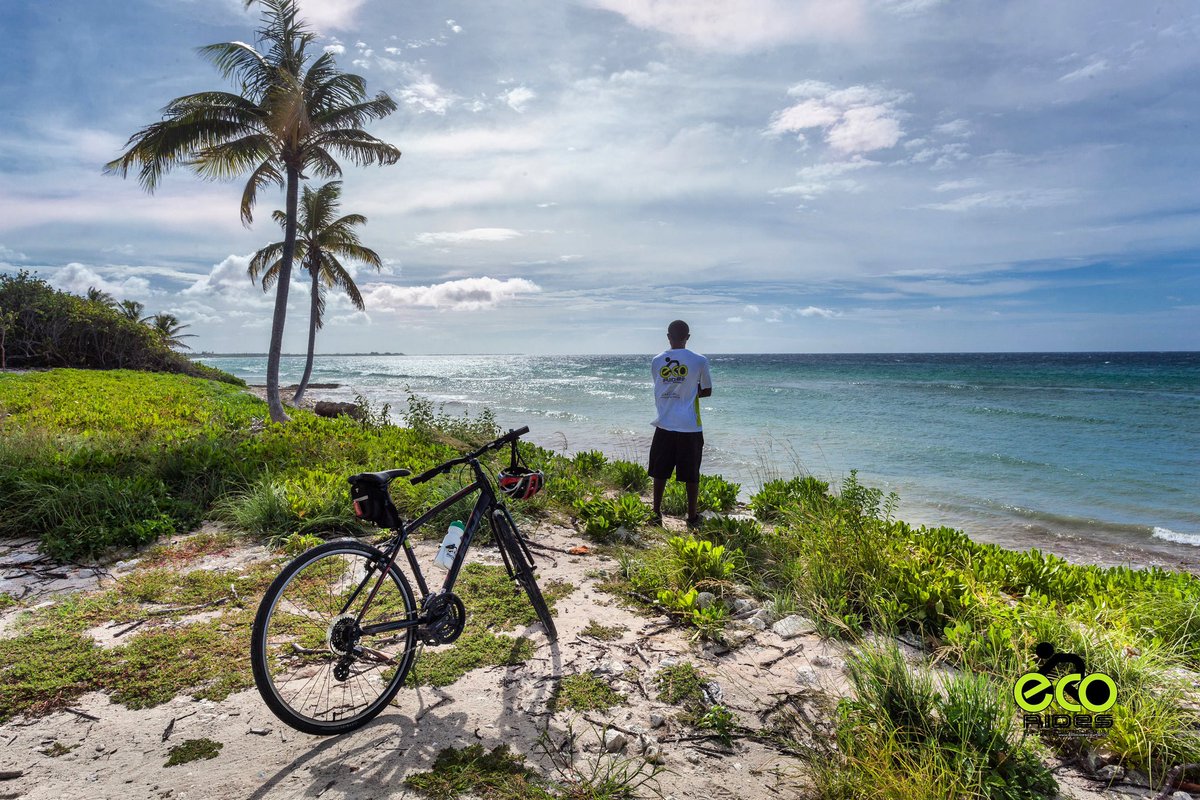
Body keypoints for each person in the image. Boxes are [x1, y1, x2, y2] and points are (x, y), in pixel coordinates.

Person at [648, 319, 712, 529]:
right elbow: (707, 390)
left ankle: (656, 512)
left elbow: (660, 388)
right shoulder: (699, 360)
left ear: (668, 337)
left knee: (660, 471)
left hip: (664, 423)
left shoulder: (657, 360)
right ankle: (691, 517)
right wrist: (689, 393)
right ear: (688, 337)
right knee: (691, 474)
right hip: (690, 426)